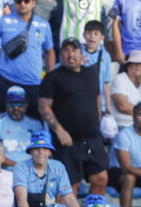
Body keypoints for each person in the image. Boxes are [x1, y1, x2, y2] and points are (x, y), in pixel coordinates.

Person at [40, 37, 106, 196]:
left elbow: (97, 98)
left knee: (101, 178)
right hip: (68, 141)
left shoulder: (91, 73)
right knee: (70, 186)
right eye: (66, 51)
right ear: (61, 54)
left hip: (92, 138)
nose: (71, 55)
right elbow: (43, 106)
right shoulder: (53, 77)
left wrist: (97, 122)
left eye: (74, 50)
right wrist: (59, 131)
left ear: (81, 53)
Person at [0, 0, 55, 119]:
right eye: (18, 1)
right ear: (15, 3)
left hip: (33, 84)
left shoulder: (43, 25)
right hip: (6, 81)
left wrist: (50, 76)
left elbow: (50, 51)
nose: (22, 4)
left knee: (35, 126)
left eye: (26, 1)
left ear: (33, 3)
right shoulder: (4, 21)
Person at [12, 131, 89, 207]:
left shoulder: (58, 167)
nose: (40, 152)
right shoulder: (21, 167)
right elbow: (21, 199)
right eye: (36, 148)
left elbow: (69, 197)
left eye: (44, 148)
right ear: (30, 151)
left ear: (50, 151)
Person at [0, 85, 47, 166]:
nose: (16, 107)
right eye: (12, 104)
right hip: (4, 172)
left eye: (20, 103)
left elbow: (42, 152)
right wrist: (20, 167)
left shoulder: (36, 124)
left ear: (26, 104)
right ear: (6, 104)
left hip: (32, 172)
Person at [110, 50, 141, 130]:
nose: (138, 65)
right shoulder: (120, 79)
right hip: (122, 126)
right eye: (135, 62)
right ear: (128, 66)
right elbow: (123, 106)